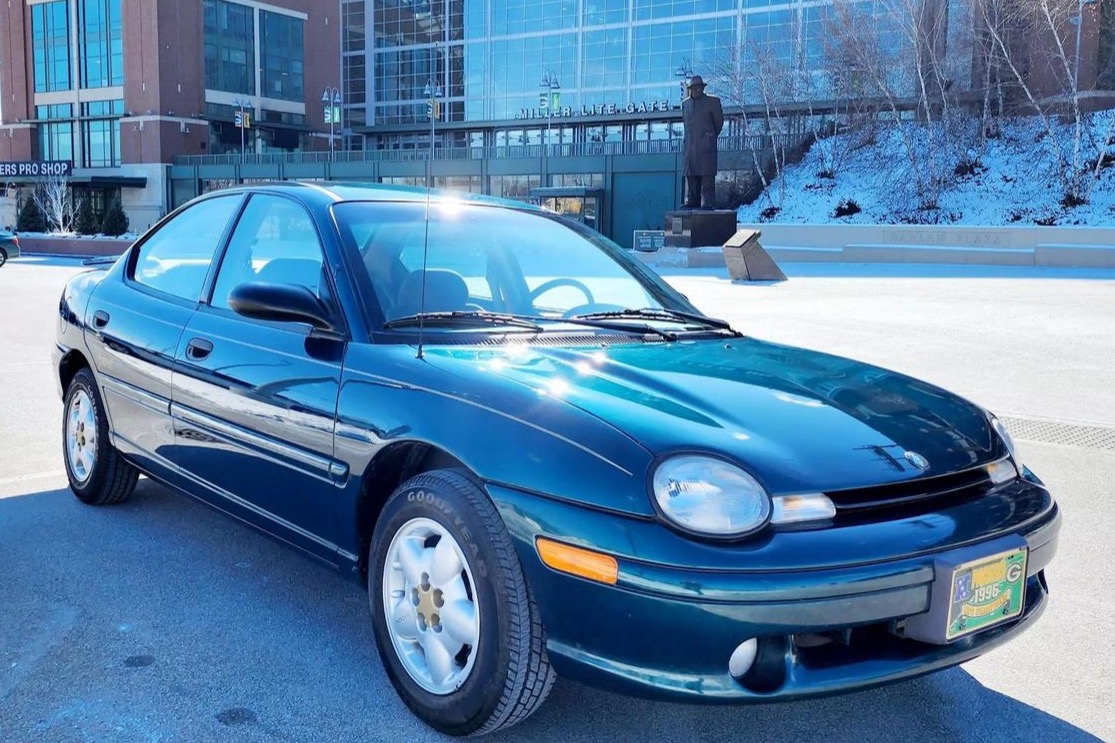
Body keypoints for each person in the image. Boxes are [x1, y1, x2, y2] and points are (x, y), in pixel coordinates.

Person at [681, 75, 724, 209]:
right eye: (694, 88)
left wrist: (709, 136)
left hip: (706, 146)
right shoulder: (685, 104)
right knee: (691, 175)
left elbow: (719, 123)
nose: (697, 90)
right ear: (691, 89)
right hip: (690, 147)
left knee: (707, 177)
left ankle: (708, 203)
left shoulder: (713, 102)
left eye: (699, 87)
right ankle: (692, 201)